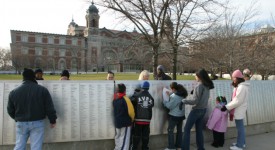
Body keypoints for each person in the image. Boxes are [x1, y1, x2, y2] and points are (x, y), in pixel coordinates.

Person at [7, 68, 57, 150]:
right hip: (37, 122)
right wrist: (53, 120)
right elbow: (49, 107)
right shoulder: (42, 90)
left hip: (21, 122)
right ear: (34, 77)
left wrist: (17, 118)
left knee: (19, 146)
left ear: (23, 77)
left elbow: (10, 110)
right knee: (36, 147)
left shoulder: (14, 92)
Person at [181, 68, 214, 150]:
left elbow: (195, 101)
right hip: (203, 110)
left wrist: (183, 101)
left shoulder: (199, 86)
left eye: (196, 76)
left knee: (186, 129)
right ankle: (201, 148)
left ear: (199, 76)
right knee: (199, 130)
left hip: (196, 111)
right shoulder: (207, 86)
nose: (195, 77)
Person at [221, 69, 249, 150]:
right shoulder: (240, 86)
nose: (233, 79)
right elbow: (236, 99)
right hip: (239, 109)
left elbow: (237, 101)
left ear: (237, 78)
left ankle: (239, 145)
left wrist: (226, 107)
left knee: (240, 128)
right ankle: (241, 143)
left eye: (233, 78)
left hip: (239, 109)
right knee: (240, 128)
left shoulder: (242, 87)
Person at [163, 82, 188, 150]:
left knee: (170, 130)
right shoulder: (182, 94)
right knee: (179, 131)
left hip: (174, 116)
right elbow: (175, 97)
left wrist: (164, 101)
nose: (171, 91)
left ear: (173, 89)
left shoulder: (175, 96)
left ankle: (171, 147)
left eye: (171, 89)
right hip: (181, 116)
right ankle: (178, 146)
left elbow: (169, 106)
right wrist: (170, 94)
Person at [130, 81, 154, 150]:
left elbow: (131, 101)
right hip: (147, 120)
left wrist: (134, 93)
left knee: (136, 136)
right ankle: (145, 148)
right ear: (148, 88)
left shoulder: (137, 95)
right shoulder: (151, 97)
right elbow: (151, 105)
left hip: (138, 119)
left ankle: (134, 148)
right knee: (145, 136)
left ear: (142, 87)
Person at [113, 83, 135, 150]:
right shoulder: (126, 99)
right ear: (124, 90)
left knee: (117, 137)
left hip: (117, 122)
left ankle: (117, 148)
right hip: (125, 123)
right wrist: (132, 119)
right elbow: (131, 112)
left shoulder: (115, 98)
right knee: (125, 139)